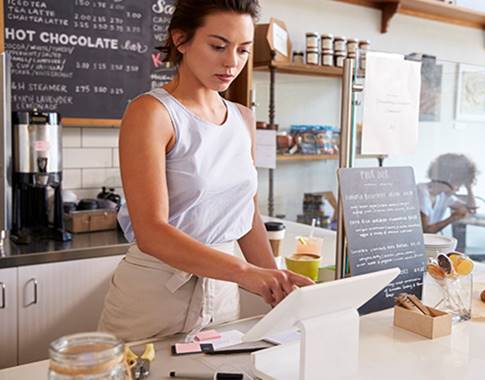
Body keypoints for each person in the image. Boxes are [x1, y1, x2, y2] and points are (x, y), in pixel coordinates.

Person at [98, 0, 313, 342]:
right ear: (181, 40)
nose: (232, 63)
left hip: (223, 296)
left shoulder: (242, 118)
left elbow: (246, 213)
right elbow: (151, 231)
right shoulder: (151, 113)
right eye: (218, 46)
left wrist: (277, 282)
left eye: (243, 50)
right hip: (153, 299)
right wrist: (246, 273)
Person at [417, 153, 477, 234]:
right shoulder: (421, 192)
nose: (458, 189)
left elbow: (471, 209)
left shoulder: (443, 195)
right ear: (449, 178)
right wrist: (452, 218)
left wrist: (469, 187)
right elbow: (426, 231)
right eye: (458, 183)